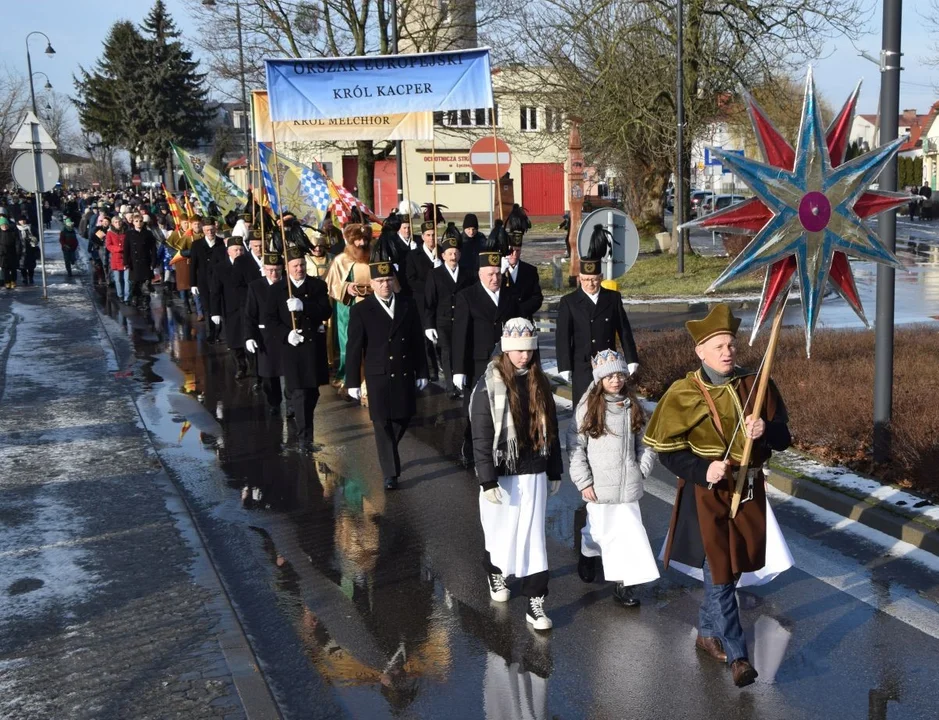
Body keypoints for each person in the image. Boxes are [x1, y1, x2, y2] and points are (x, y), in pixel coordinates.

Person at [643, 303, 794, 688]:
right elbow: (666, 450)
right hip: (706, 493)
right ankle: (738, 656)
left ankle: (707, 631)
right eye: (719, 346)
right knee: (722, 573)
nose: (728, 352)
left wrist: (765, 431)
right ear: (701, 351)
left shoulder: (755, 384)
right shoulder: (683, 393)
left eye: (730, 344)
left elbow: (785, 439)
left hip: (748, 491)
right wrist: (702, 469)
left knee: (734, 566)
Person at [471, 317, 562, 630]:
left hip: (534, 469)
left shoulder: (540, 382)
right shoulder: (488, 386)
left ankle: (535, 602)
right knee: (501, 534)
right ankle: (495, 572)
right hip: (501, 473)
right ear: (507, 349)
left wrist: (554, 470)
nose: (524, 355)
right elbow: (481, 438)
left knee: (534, 539)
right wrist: (486, 480)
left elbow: (552, 430)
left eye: (529, 350)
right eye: (518, 350)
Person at [567, 350, 659, 607]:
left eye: (620, 375)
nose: (616, 380)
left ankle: (624, 584)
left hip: (628, 484)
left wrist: (641, 470)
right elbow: (575, 446)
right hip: (598, 486)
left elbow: (647, 443)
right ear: (599, 380)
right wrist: (583, 481)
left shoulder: (632, 406)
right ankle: (588, 552)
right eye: (610, 376)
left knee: (629, 535)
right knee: (599, 532)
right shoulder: (588, 408)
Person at [345, 260, 429, 490]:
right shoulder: (361, 309)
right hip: (378, 373)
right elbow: (355, 347)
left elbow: (416, 341)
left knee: (403, 417)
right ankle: (390, 474)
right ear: (371, 284)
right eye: (380, 281)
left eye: (389, 280)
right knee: (382, 423)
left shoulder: (407, 304)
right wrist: (352, 381)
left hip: (403, 371)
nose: (385, 285)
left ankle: (388, 452)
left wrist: (422, 371)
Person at [452, 251, 522, 465]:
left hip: (504, 362)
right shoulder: (467, 296)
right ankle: (470, 445)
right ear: (480, 274)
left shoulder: (510, 296)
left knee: (506, 405)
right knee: (476, 409)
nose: (495, 279)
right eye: (490, 274)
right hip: (477, 363)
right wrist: (458, 370)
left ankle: (502, 449)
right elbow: (460, 335)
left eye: (498, 274)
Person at [265, 246, 332, 449]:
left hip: (313, 349)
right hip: (292, 348)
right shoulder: (277, 289)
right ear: (287, 267)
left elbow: (326, 311)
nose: (299, 269)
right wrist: (287, 334)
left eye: (302, 265)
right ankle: (305, 439)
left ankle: (304, 429)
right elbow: (270, 319)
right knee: (300, 393)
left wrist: (304, 305)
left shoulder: (317, 286)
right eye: (294, 266)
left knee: (313, 393)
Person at [556, 257, 640, 407]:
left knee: (608, 405)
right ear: (579, 278)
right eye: (586, 279)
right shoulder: (569, 302)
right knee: (584, 407)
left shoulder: (612, 298)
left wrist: (631, 358)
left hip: (608, 364)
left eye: (594, 279)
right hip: (582, 364)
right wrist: (564, 366)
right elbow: (563, 337)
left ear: (601, 278)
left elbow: (624, 330)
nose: (590, 284)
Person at [424, 224, 472, 398]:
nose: (453, 256)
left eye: (455, 253)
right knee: (447, 352)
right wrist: (428, 325)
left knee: (461, 350)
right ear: (443, 255)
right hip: (443, 321)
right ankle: (451, 387)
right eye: (449, 253)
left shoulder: (467, 274)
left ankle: (462, 383)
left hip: (461, 320)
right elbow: (429, 302)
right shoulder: (435, 274)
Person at [324, 223, 373, 390]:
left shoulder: (373, 256)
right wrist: (346, 287)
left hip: (370, 305)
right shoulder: (340, 260)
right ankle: (347, 377)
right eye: (358, 240)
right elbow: (332, 285)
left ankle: (369, 378)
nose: (361, 244)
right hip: (348, 307)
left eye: (364, 239)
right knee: (349, 343)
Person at [245, 252, 287, 414]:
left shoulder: (288, 285)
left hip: (286, 336)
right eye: (270, 270)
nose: (274, 274)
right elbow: (250, 315)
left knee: (290, 373)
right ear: (264, 269)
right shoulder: (256, 287)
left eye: (277, 270)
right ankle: (274, 403)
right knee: (269, 375)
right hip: (266, 337)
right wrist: (249, 336)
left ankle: (291, 404)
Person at [211, 236, 258, 378]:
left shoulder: (251, 265)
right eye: (235, 250)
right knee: (234, 341)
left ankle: (254, 368)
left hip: (248, 308)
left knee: (249, 338)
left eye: (241, 249)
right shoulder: (220, 268)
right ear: (228, 252)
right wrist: (215, 312)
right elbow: (215, 291)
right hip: (230, 309)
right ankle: (240, 367)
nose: (238, 252)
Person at [407, 218, 443, 381]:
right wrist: (431, 285)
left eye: (434, 235)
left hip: (441, 302)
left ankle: (444, 366)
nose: (431, 238)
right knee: (425, 338)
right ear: (422, 236)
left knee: (442, 336)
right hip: (422, 302)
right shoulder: (414, 255)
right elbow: (411, 280)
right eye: (428, 235)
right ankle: (431, 369)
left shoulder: (442, 252)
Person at [191, 218, 226, 343]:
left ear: (215, 229)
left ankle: (219, 333)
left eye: (212, 229)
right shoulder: (196, 244)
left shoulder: (222, 243)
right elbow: (193, 265)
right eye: (207, 230)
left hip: (220, 280)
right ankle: (211, 333)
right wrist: (193, 283)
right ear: (203, 231)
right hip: (204, 281)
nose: (210, 232)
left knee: (219, 306)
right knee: (208, 308)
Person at [124, 213, 158, 308]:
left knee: (146, 283)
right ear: (133, 222)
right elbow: (126, 249)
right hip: (134, 263)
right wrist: (126, 262)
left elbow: (153, 249)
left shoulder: (148, 233)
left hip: (146, 261)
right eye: (136, 221)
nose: (138, 223)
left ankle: (146, 301)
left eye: (140, 221)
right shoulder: (129, 234)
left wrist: (154, 261)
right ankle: (135, 298)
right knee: (135, 283)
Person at [106, 215, 130, 303]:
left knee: (127, 280)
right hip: (116, 259)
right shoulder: (110, 233)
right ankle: (120, 295)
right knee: (118, 280)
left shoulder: (126, 232)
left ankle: (127, 297)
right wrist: (118, 249)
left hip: (126, 258)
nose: (118, 224)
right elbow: (108, 245)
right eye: (116, 222)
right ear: (112, 223)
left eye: (119, 221)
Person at [16, 216, 40, 286]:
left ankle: (31, 277)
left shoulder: (31, 228)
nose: (22, 222)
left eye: (23, 220)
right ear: (18, 221)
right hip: (21, 250)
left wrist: (34, 239)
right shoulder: (17, 229)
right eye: (21, 220)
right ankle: (24, 278)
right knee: (22, 265)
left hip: (31, 249)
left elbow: (37, 237)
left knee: (31, 266)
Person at [0, 216, 21, 289]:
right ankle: (7, 282)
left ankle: (13, 281)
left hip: (12, 252)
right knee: (5, 269)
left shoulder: (12, 232)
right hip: (3, 254)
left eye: (5, 225)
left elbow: (17, 242)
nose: (4, 227)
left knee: (13, 268)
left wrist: (18, 251)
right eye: (2, 225)